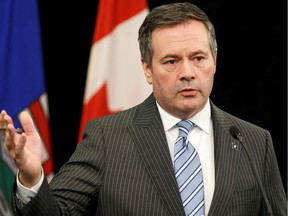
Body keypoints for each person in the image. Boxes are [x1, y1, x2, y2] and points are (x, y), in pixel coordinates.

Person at [0, 2, 286, 216]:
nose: (187, 72)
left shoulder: (254, 142)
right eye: (171, 61)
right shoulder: (107, 138)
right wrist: (31, 176)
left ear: (215, 60)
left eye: (198, 58)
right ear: (147, 70)